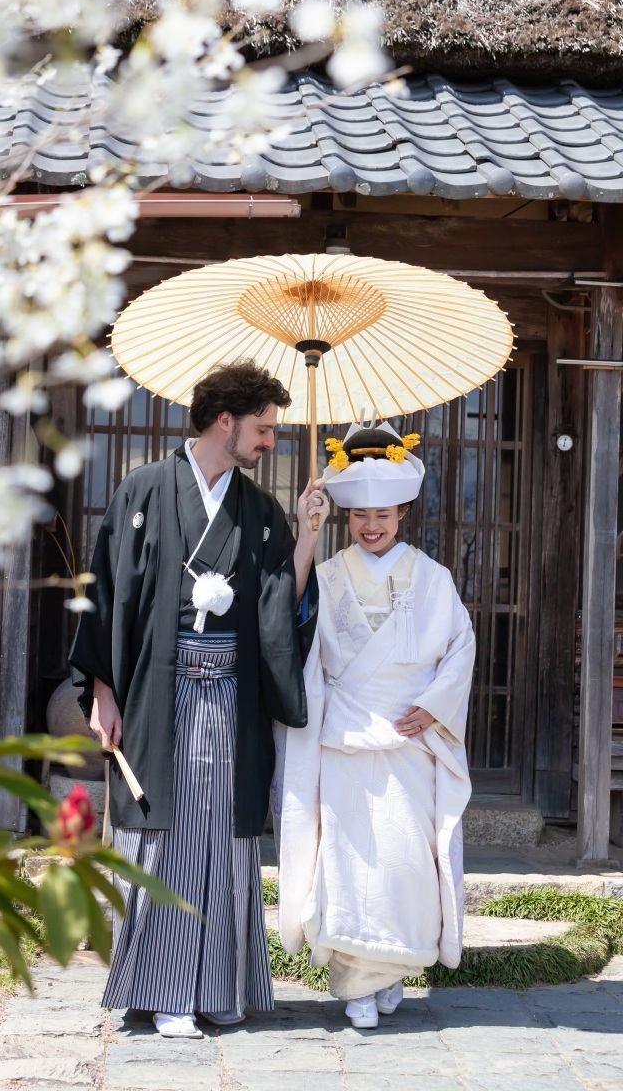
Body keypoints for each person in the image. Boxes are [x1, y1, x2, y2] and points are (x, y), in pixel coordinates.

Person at [70, 359, 329, 1038]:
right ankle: (165, 993)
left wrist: (307, 536)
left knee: (224, 839)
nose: (271, 442)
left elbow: (279, 605)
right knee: (166, 834)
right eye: (265, 429)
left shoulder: (260, 511)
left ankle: (216, 986)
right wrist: (102, 689)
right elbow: (106, 594)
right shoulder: (143, 492)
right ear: (226, 421)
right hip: (159, 692)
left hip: (232, 697)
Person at [273, 420, 474, 1029]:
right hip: (345, 736)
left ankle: (391, 972)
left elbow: (460, 646)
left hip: (408, 737)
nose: (371, 526)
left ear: (404, 512)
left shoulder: (432, 578)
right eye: (360, 515)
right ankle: (358, 983)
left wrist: (437, 705)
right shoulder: (329, 573)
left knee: (404, 860)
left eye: (383, 514)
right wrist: (306, 536)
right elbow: (292, 617)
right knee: (350, 861)